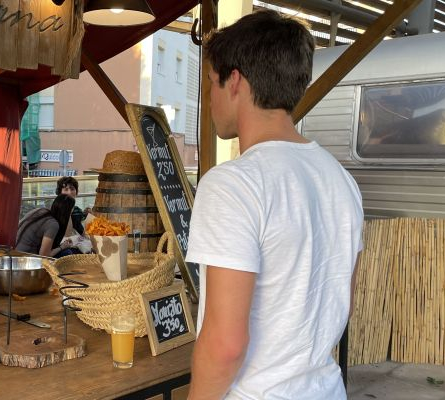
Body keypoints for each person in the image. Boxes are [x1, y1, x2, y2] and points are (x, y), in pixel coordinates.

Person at [185, 10, 363, 400]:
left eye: (212, 82)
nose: (210, 97)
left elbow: (225, 344)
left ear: (234, 81)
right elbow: (340, 300)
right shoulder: (341, 180)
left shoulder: (234, 184)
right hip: (325, 389)